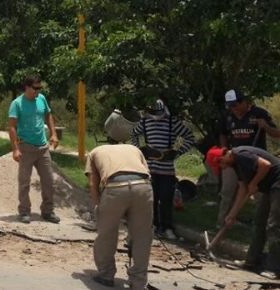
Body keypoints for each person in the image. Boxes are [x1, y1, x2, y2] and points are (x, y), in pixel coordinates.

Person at [86, 144, 153, 290]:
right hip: (143, 186)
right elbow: (147, 173)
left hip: (115, 186)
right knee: (142, 236)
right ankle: (139, 281)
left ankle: (106, 275)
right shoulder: (134, 149)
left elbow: (92, 183)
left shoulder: (94, 152)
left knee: (107, 233)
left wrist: (97, 206)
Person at [207, 146, 280, 279]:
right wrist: (232, 214)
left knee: (273, 226)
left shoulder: (241, 154)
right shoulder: (236, 165)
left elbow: (265, 165)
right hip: (270, 186)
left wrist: (254, 183)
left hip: (278, 182)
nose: (223, 168)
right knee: (259, 222)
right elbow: (242, 189)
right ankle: (251, 262)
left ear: (221, 158)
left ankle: (275, 268)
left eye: (221, 165)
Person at [129, 99, 195, 240]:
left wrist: (177, 152)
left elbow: (190, 137)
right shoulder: (145, 122)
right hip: (150, 167)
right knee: (151, 198)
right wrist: (140, 150)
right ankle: (152, 225)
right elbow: (133, 134)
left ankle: (167, 227)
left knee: (166, 198)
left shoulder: (172, 122)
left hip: (167, 168)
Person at [217, 89, 280, 226]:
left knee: (259, 195)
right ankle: (225, 221)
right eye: (230, 106)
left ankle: (260, 224)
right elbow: (222, 134)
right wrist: (224, 151)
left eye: (235, 105)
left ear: (244, 101)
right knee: (228, 191)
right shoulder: (227, 116)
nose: (233, 109)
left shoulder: (259, 113)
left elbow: (277, 134)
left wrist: (266, 127)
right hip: (232, 160)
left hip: (256, 163)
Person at [8, 75, 60, 224]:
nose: (38, 91)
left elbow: (48, 115)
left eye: (39, 88)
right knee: (24, 182)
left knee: (48, 181)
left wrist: (53, 134)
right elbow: (12, 127)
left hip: (43, 148)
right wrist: (15, 149)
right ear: (26, 87)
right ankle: (24, 211)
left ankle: (48, 211)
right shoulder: (17, 104)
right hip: (26, 148)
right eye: (35, 88)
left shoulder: (41, 99)